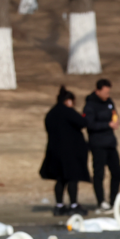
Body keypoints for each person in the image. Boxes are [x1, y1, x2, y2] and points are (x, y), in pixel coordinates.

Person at [39, 86, 90, 216]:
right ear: (68, 101)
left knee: (60, 178)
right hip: (70, 151)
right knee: (73, 177)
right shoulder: (67, 111)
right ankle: (73, 204)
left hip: (54, 151)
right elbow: (83, 122)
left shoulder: (51, 113)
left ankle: (59, 205)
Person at [83, 79, 120, 211]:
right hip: (98, 144)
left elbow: (114, 114)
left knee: (117, 172)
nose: (107, 95)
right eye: (105, 92)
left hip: (110, 143)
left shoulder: (109, 102)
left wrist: (116, 121)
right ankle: (101, 201)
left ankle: (114, 200)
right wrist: (107, 125)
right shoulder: (90, 105)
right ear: (97, 91)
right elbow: (89, 124)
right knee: (99, 174)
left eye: (108, 92)